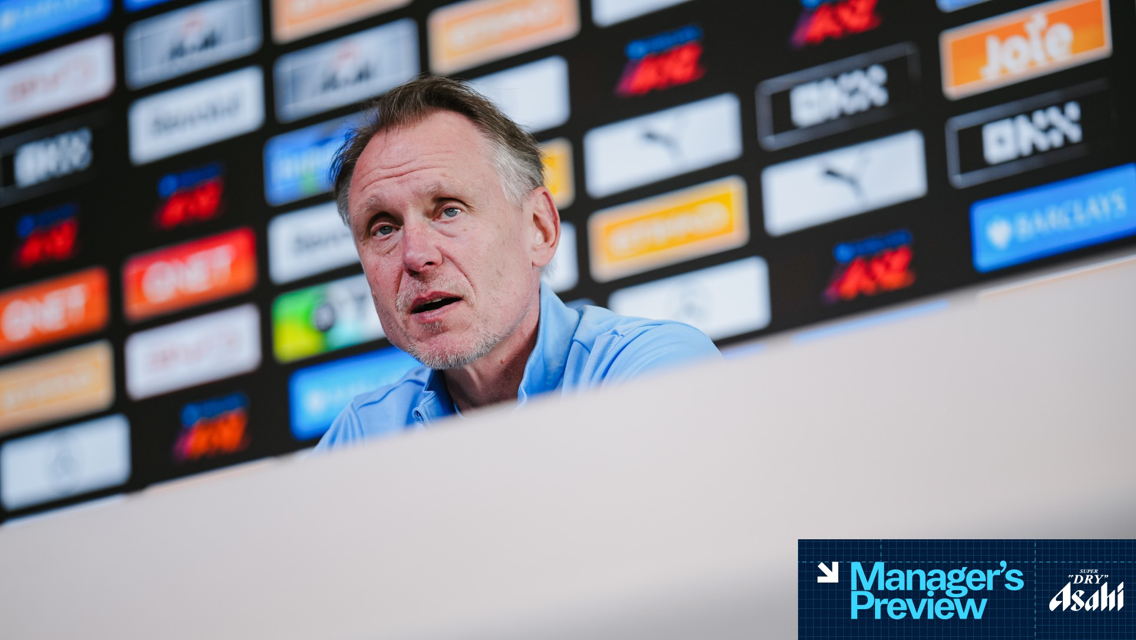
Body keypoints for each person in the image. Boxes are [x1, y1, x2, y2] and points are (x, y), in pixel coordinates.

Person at [316, 75, 720, 450]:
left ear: (538, 229)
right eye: (383, 229)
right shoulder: (362, 438)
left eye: (449, 210)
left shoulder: (655, 367)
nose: (416, 256)